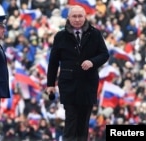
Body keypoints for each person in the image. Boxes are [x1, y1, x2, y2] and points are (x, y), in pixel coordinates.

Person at [46, 5, 109, 141]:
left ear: (85, 17)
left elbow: (104, 54)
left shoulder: (95, 34)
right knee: (71, 120)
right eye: (74, 16)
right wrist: (50, 83)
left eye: (80, 16)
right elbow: (53, 61)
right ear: (68, 18)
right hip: (68, 85)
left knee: (83, 123)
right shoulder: (61, 36)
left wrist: (92, 62)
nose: (77, 19)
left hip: (88, 84)